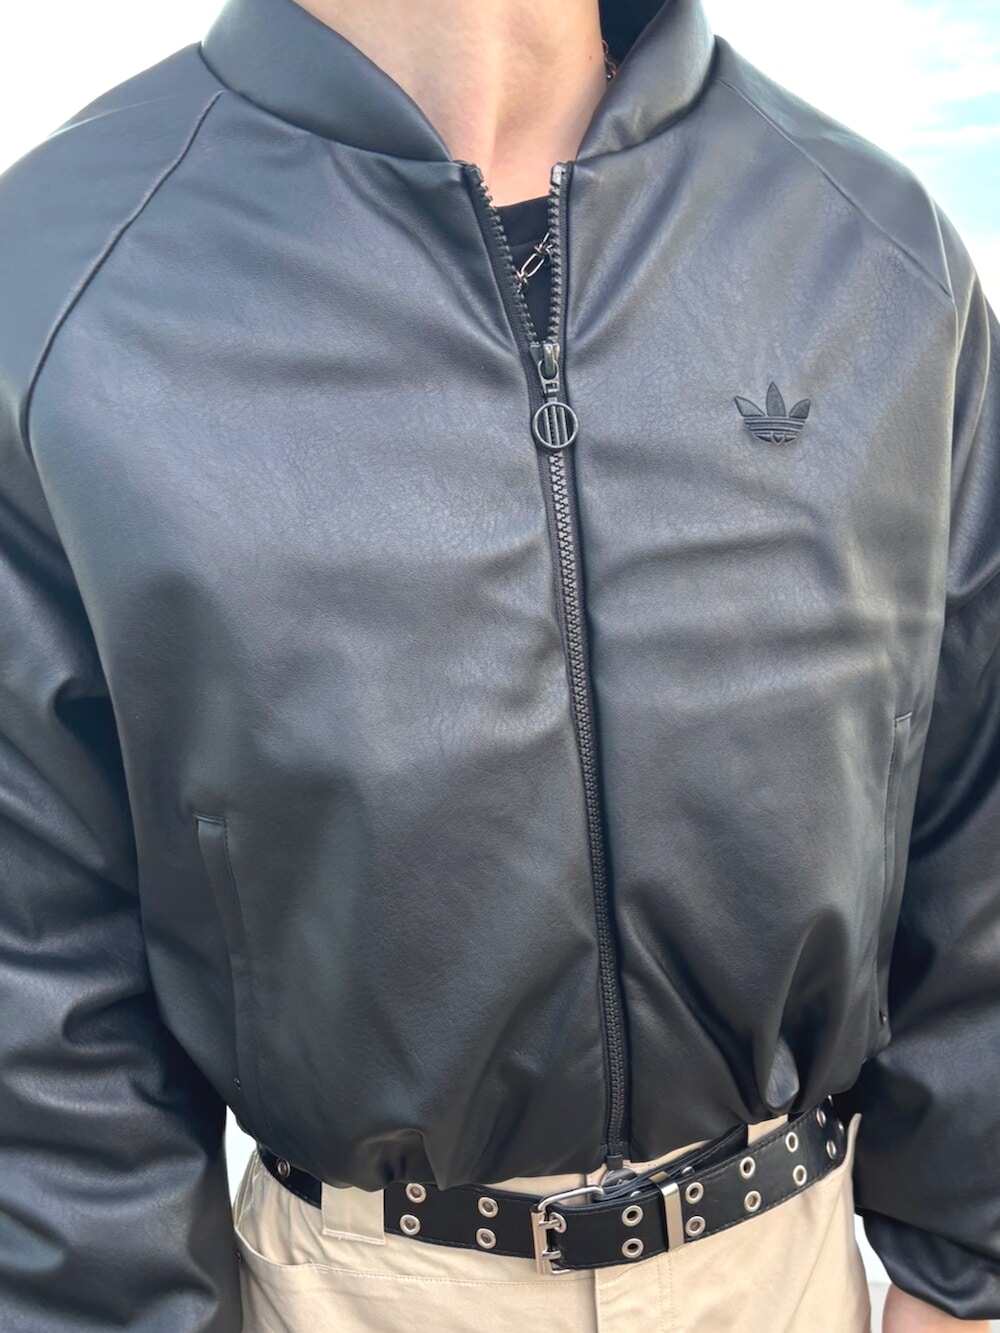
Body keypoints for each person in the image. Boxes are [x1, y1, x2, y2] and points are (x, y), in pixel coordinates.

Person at [0, 0, 997, 1327]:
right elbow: (35, 961)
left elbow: (973, 792)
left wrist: (959, 1264)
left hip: (797, 1272)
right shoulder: (62, 281)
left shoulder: (872, 248)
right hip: (350, 1292)